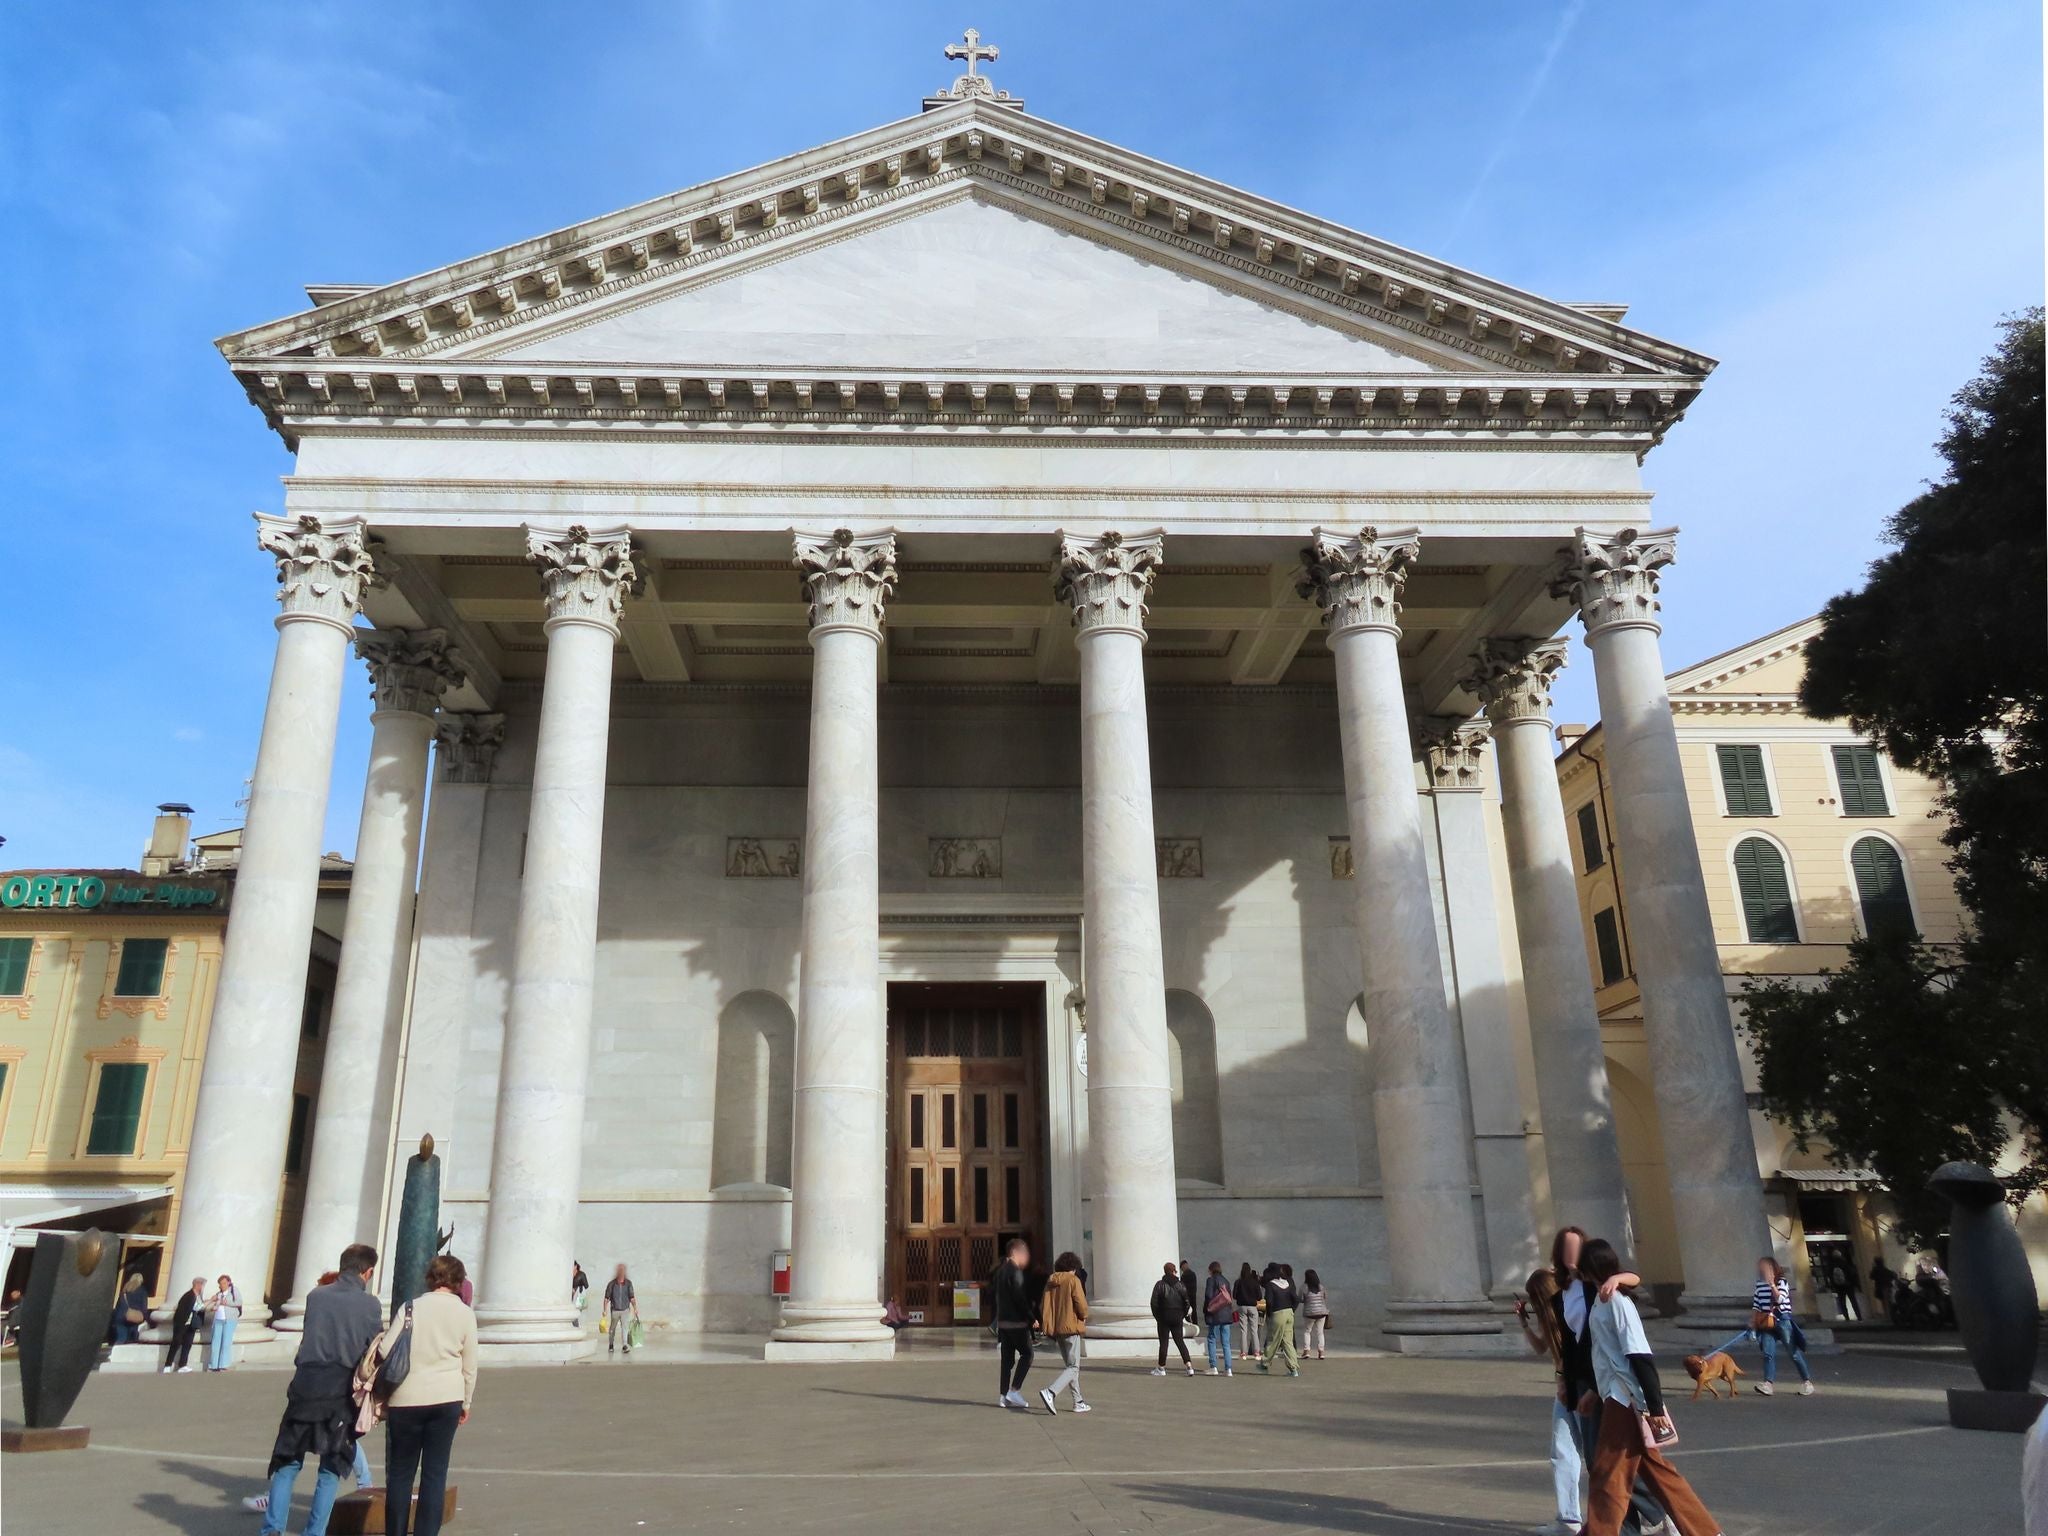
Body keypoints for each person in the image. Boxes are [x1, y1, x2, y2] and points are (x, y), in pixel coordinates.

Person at [1579, 1237, 1722, 1536]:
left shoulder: (1617, 1302)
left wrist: (1655, 1408)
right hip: (1616, 1394)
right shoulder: (1601, 1300)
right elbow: (1606, 1356)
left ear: (1590, 1268)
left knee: (1607, 1475)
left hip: (1625, 1399)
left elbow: (1640, 1356)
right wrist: (1594, 1392)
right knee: (1659, 1474)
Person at [256, 1245, 385, 1536]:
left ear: (343, 1266)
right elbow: (372, 1348)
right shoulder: (370, 1305)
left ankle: (272, 1529)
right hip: (341, 1389)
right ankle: (314, 1532)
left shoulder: (316, 1296)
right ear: (367, 1272)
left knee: (288, 1462)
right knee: (330, 1468)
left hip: (306, 1383)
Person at [1552, 1227, 1662, 1536]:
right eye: (1566, 1247)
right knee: (1603, 1461)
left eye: (1576, 1247)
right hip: (1592, 1383)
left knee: (1611, 1463)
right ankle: (1634, 1523)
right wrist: (1565, 1380)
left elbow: (1637, 1352)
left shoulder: (1602, 1292)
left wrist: (1655, 1407)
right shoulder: (1561, 1294)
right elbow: (1569, 1344)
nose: (1571, 1253)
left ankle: (1646, 1518)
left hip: (1615, 1389)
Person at [378, 1253, 478, 1536]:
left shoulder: (410, 1308)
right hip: (447, 1398)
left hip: (406, 1398)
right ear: (458, 1281)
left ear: (430, 1278)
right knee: (435, 1473)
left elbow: (385, 1350)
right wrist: (466, 1402)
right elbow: (470, 1365)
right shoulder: (464, 1314)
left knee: (401, 1474)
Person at [1516, 1268, 1587, 1536]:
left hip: (1580, 1388)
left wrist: (1562, 1381)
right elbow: (1541, 1348)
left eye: (1533, 1299)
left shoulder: (1569, 1312)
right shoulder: (1549, 1317)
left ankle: (1655, 1514)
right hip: (1566, 1389)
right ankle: (1568, 1519)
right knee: (1562, 1450)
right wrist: (1523, 1323)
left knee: (1599, 1455)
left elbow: (1575, 1355)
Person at [1752, 1256, 1814, 1396]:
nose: (1763, 1270)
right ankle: (1768, 1384)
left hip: (1782, 1321)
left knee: (1793, 1353)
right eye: (1761, 1268)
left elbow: (1780, 1299)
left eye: (1766, 1267)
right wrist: (1753, 1322)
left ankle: (1807, 1382)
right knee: (1768, 1353)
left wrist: (1772, 1285)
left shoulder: (1782, 1282)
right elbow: (1756, 1304)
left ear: (1773, 1268)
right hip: (1766, 1322)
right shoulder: (1759, 1284)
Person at [1038, 1251, 1090, 1414]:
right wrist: (1084, 1315)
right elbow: (1081, 1303)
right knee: (1074, 1367)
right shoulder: (1073, 1280)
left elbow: (1043, 1305)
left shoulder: (1051, 1281)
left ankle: (1078, 1401)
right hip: (1071, 1326)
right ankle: (1051, 1392)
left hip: (1057, 1327)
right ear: (1073, 1267)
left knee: (1070, 1367)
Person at [992, 1237, 1036, 1408]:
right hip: (1017, 1322)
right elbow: (1019, 1297)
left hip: (1004, 1322)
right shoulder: (1015, 1272)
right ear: (1016, 1252)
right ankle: (1014, 1390)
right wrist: (1031, 1318)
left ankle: (1003, 1395)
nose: (1027, 1257)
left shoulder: (1000, 1271)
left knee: (1007, 1361)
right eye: (1025, 1253)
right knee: (1027, 1354)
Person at [1150, 1262, 1194, 1376]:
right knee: (1180, 1341)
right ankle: (1189, 1366)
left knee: (1164, 1343)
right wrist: (1182, 1314)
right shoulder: (1181, 1285)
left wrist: (1158, 1316)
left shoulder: (1159, 1284)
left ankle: (1161, 1368)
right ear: (1174, 1271)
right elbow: (1187, 1302)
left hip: (1163, 1316)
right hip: (1177, 1316)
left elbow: (1154, 1303)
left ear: (1165, 1271)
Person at [1260, 1262, 1299, 1377]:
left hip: (1278, 1313)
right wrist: (1292, 1310)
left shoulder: (1271, 1285)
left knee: (1273, 1340)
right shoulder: (1287, 1283)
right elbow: (1296, 1299)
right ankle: (1294, 1369)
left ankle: (1264, 1364)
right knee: (1288, 1342)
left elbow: (1269, 1301)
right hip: (1289, 1313)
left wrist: (1269, 1314)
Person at [162, 1276, 208, 1373]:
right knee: (176, 1343)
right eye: (202, 1285)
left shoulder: (198, 1296)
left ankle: (182, 1365)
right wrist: (211, 1300)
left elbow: (200, 1307)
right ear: (197, 1285)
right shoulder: (189, 1295)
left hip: (191, 1324)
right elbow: (197, 1307)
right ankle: (167, 1365)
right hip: (182, 1323)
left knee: (187, 1344)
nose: (203, 1288)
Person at [1201, 1260, 1236, 1375]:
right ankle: (1228, 1369)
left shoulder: (1211, 1280)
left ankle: (1213, 1367)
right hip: (1226, 1314)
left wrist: (1206, 1309)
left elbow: (1208, 1295)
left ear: (1211, 1270)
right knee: (1226, 1342)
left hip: (1215, 1314)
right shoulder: (1226, 1281)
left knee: (1212, 1339)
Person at [207, 1273, 243, 1370]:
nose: (222, 1285)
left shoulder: (234, 1291)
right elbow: (214, 1306)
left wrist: (227, 1303)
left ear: (228, 1283)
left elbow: (239, 1302)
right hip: (218, 1320)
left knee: (226, 1342)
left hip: (229, 1319)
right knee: (215, 1342)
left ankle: (224, 1364)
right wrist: (213, 1304)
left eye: (224, 1283)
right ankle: (214, 1364)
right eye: (220, 1284)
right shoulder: (219, 1294)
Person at [601, 1263, 637, 1356]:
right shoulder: (612, 1284)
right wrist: (604, 1310)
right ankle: (611, 1344)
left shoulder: (628, 1284)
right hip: (615, 1310)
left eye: (622, 1270)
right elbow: (606, 1298)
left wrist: (635, 1308)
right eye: (619, 1270)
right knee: (612, 1329)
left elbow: (632, 1297)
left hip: (625, 1310)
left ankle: (624, 1345)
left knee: (625, 1328)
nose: (621, 1272)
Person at [1232, 1261, 1264, 1361]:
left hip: (1242, 1307)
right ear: (1250, 1271)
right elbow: (1259, 1297)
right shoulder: (1254, 1282)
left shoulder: (1238, 1282)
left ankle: (1243, 1353)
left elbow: (1234, 1296)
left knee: (1243, 1330)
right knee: (1254, 1330)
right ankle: (1256, 1352)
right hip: (1253, 1307)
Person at [1299, 1268, 1331, 1361]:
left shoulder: (1304, 1287)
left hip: (1309, 1313)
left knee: (1307, 1331)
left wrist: (1307, 1300)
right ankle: (1321, 1352)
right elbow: (1325, 1296)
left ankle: (1306, 1351)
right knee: (1320, 1332)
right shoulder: (1321, 1287)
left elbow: (1300, 1299)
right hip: (1321, 1312)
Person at [109, 1271, 149, 1344]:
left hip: (121, 1317)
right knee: (132, 1342)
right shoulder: (142, 1291)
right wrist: (146, 1319)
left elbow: (119, 1305)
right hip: (134, 1320)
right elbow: (144, 1308)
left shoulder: (125, 1289)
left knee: (120, 1339)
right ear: (141, 1281)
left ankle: (116, 1350)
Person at [1825, 1255, 1860, 1321]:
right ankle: (1859, 1316)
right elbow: (1851, 1274)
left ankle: (1846, 1317)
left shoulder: (1832, 1265)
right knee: (1853, 1300)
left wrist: (1833, 1285)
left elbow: (1830, 1276)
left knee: (1842, 1302)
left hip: (1839, 1286)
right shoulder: (1845, 1263)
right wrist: (1855, 1284)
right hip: (1848, 1285)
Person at [1868, 1255, 1896, 1320]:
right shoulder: (1884, 1269)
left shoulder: (1876, 1269)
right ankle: (1890, 1315)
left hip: (1881, 1287)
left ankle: (1888, 1316)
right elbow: (1892, 1275)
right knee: (1888, 1301)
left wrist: (1872, 1268)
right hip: (1887, 1286)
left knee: (1884, 1302)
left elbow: (1871, 1277)